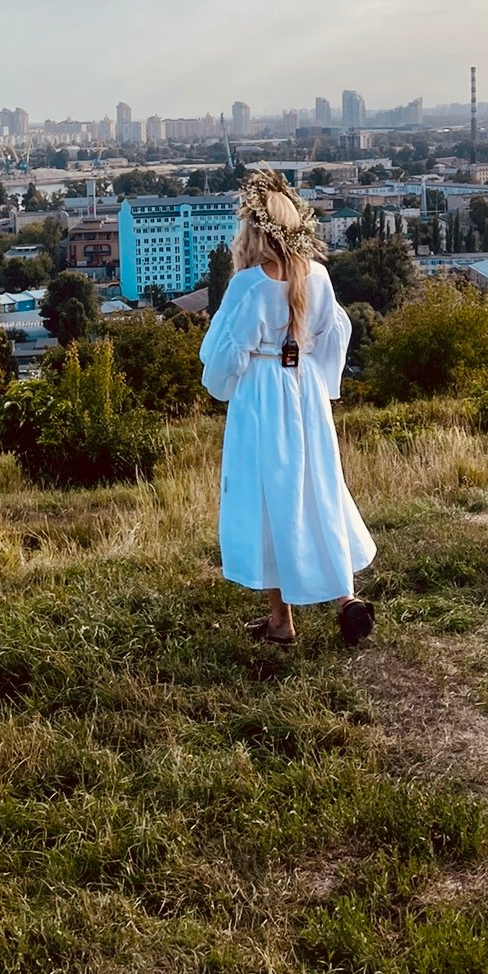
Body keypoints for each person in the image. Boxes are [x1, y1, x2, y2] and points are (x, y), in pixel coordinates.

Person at [199, 169, 376, 646]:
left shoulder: (249, 286)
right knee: (318, 487)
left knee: (268, 497)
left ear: (254, 231)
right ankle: (347, 599)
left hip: (261, 397)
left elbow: (224, 354)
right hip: (306, 393)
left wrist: (221, 383)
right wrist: (322, 382)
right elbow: (336, 333)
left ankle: (282, 620)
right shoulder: (317, 276)